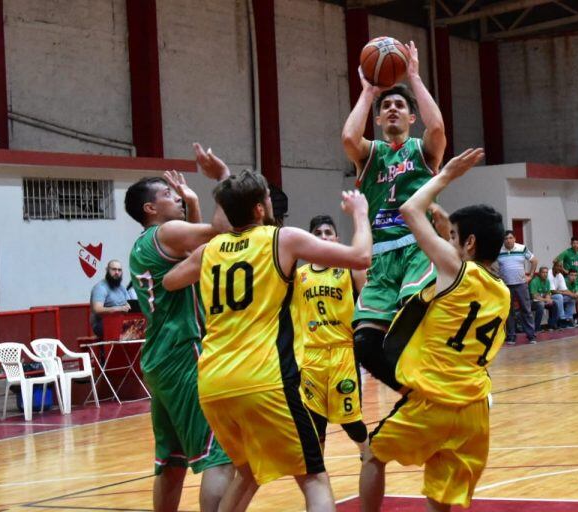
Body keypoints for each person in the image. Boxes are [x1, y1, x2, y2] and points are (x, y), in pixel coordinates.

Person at [163, 170, 372, 512]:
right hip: (265, 378)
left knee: (247, 474)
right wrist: (361, 214)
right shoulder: (282, 239)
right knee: (314, 477)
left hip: (214, 383)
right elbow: (361, 257)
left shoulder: (209, 251)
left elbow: (171, 281)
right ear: (259, 209)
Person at [359, 147, 509, 512]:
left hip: (434, 400)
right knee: (441, 498)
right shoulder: (503, 293)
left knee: (372, 455)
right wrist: (448, 229)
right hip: (474, 409)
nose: (448, 242)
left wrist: (446, 175)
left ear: (469, 244)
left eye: (454, 237)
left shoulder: (456, 270)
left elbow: (409, 209)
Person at [125, 145, 235, 512]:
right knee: (221, 455)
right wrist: (221, 179)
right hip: (182, 351)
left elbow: (197, 260)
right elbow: (220, 234)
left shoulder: (143, 245)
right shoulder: (167, 231)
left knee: (171, 463)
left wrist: (192, 204)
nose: (175, 195)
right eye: (167, 194)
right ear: (150, 209)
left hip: (157, 356)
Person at [342, 40, 446, 391]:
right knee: (365, 344)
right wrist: (368, 93)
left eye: (400, 106)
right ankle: (413, 395)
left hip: (419, 248)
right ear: (378, 117)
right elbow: (348, 137)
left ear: (410, 117)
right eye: (386, 106)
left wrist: (413, 76)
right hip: (382, 258)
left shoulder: (422, 150)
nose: (392, 109)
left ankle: (450, 382)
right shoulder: (370, 153)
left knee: (413, 314)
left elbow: (437, 130)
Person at [294, 215, 369, 454]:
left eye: (328, 232)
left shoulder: (349, 269)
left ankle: (368, 454)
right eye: (318, 233)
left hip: (343, 353)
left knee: (351, 422)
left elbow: (368, 301)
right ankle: (318, 476)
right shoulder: (299, 276)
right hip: (311, 357)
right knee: (315, 425)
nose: (324, 237)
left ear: (337, 238)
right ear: (310, 240)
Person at [497, 230, 537, 344]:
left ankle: (531, 336)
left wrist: (531, 275)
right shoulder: (498, 251)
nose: (508, 240)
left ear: (514, 238)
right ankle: (511, 337)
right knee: (509, 311)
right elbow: (490, 264)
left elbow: (534, 261)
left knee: (526, 310)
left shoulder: (522, 248)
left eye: (510, 238)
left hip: (521, 284)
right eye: (506, 239)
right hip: (506, 286)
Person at [89, 259, 131, 339]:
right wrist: (118, 309)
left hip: (121, 323)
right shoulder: (100, 288)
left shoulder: (122, 288)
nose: (117, 272)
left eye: (119, 270)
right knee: (130, 331)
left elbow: (128, 304)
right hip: (103, 324)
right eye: (114, 269)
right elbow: (97, 309)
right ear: (107, 270)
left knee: (139, 328)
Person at [529, 266, 559, 331]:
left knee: (554, 303)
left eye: (546, 272)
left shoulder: (547, 281)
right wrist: (546, 300)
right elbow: (534, 296)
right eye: (543, 272)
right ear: (539, 273)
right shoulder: (534, 281)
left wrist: (548, 299)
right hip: (532, 302)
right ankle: (536, 328)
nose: (545, 274)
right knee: (541, 304)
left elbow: (548, 293)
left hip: (542, 300)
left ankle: (551, 325)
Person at [550, 261, 576, 328]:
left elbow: (565, 289)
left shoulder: (560, 275)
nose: (560, 268)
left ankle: (568, 319)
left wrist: (573, 295)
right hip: (548, 297)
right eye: (558, 266)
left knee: (571, 298)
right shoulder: (549, 273)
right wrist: (564, 293)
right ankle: (562, 319)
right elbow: (553, 291)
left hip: (557, 296)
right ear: (554, 266)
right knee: (559, 296)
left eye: (561, 267)